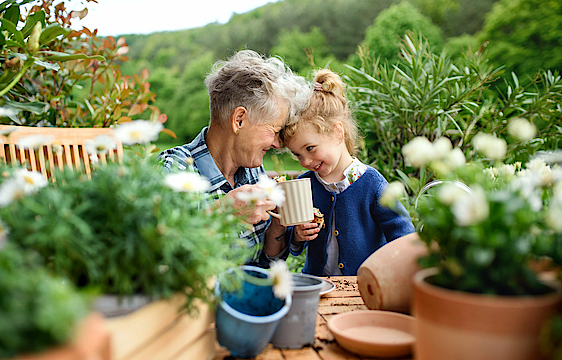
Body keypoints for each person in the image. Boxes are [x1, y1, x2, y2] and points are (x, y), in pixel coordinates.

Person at [159, 50, 310, 267]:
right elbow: (155, 253)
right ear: (239, 120)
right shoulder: (174, 170)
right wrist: (222, 214)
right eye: (274, 130)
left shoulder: (251, 171)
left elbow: (265, 263)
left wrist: (278, 225)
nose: (277, 144)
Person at [279, 69, 415, 276]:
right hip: (317, 285)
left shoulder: (372, 184)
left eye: (310, 148)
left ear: (337, 132)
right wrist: (297, 235)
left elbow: (402, 234)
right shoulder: (305, 184)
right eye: (297, 155)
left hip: (363, 287)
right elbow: (293, 242)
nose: (305, 161)